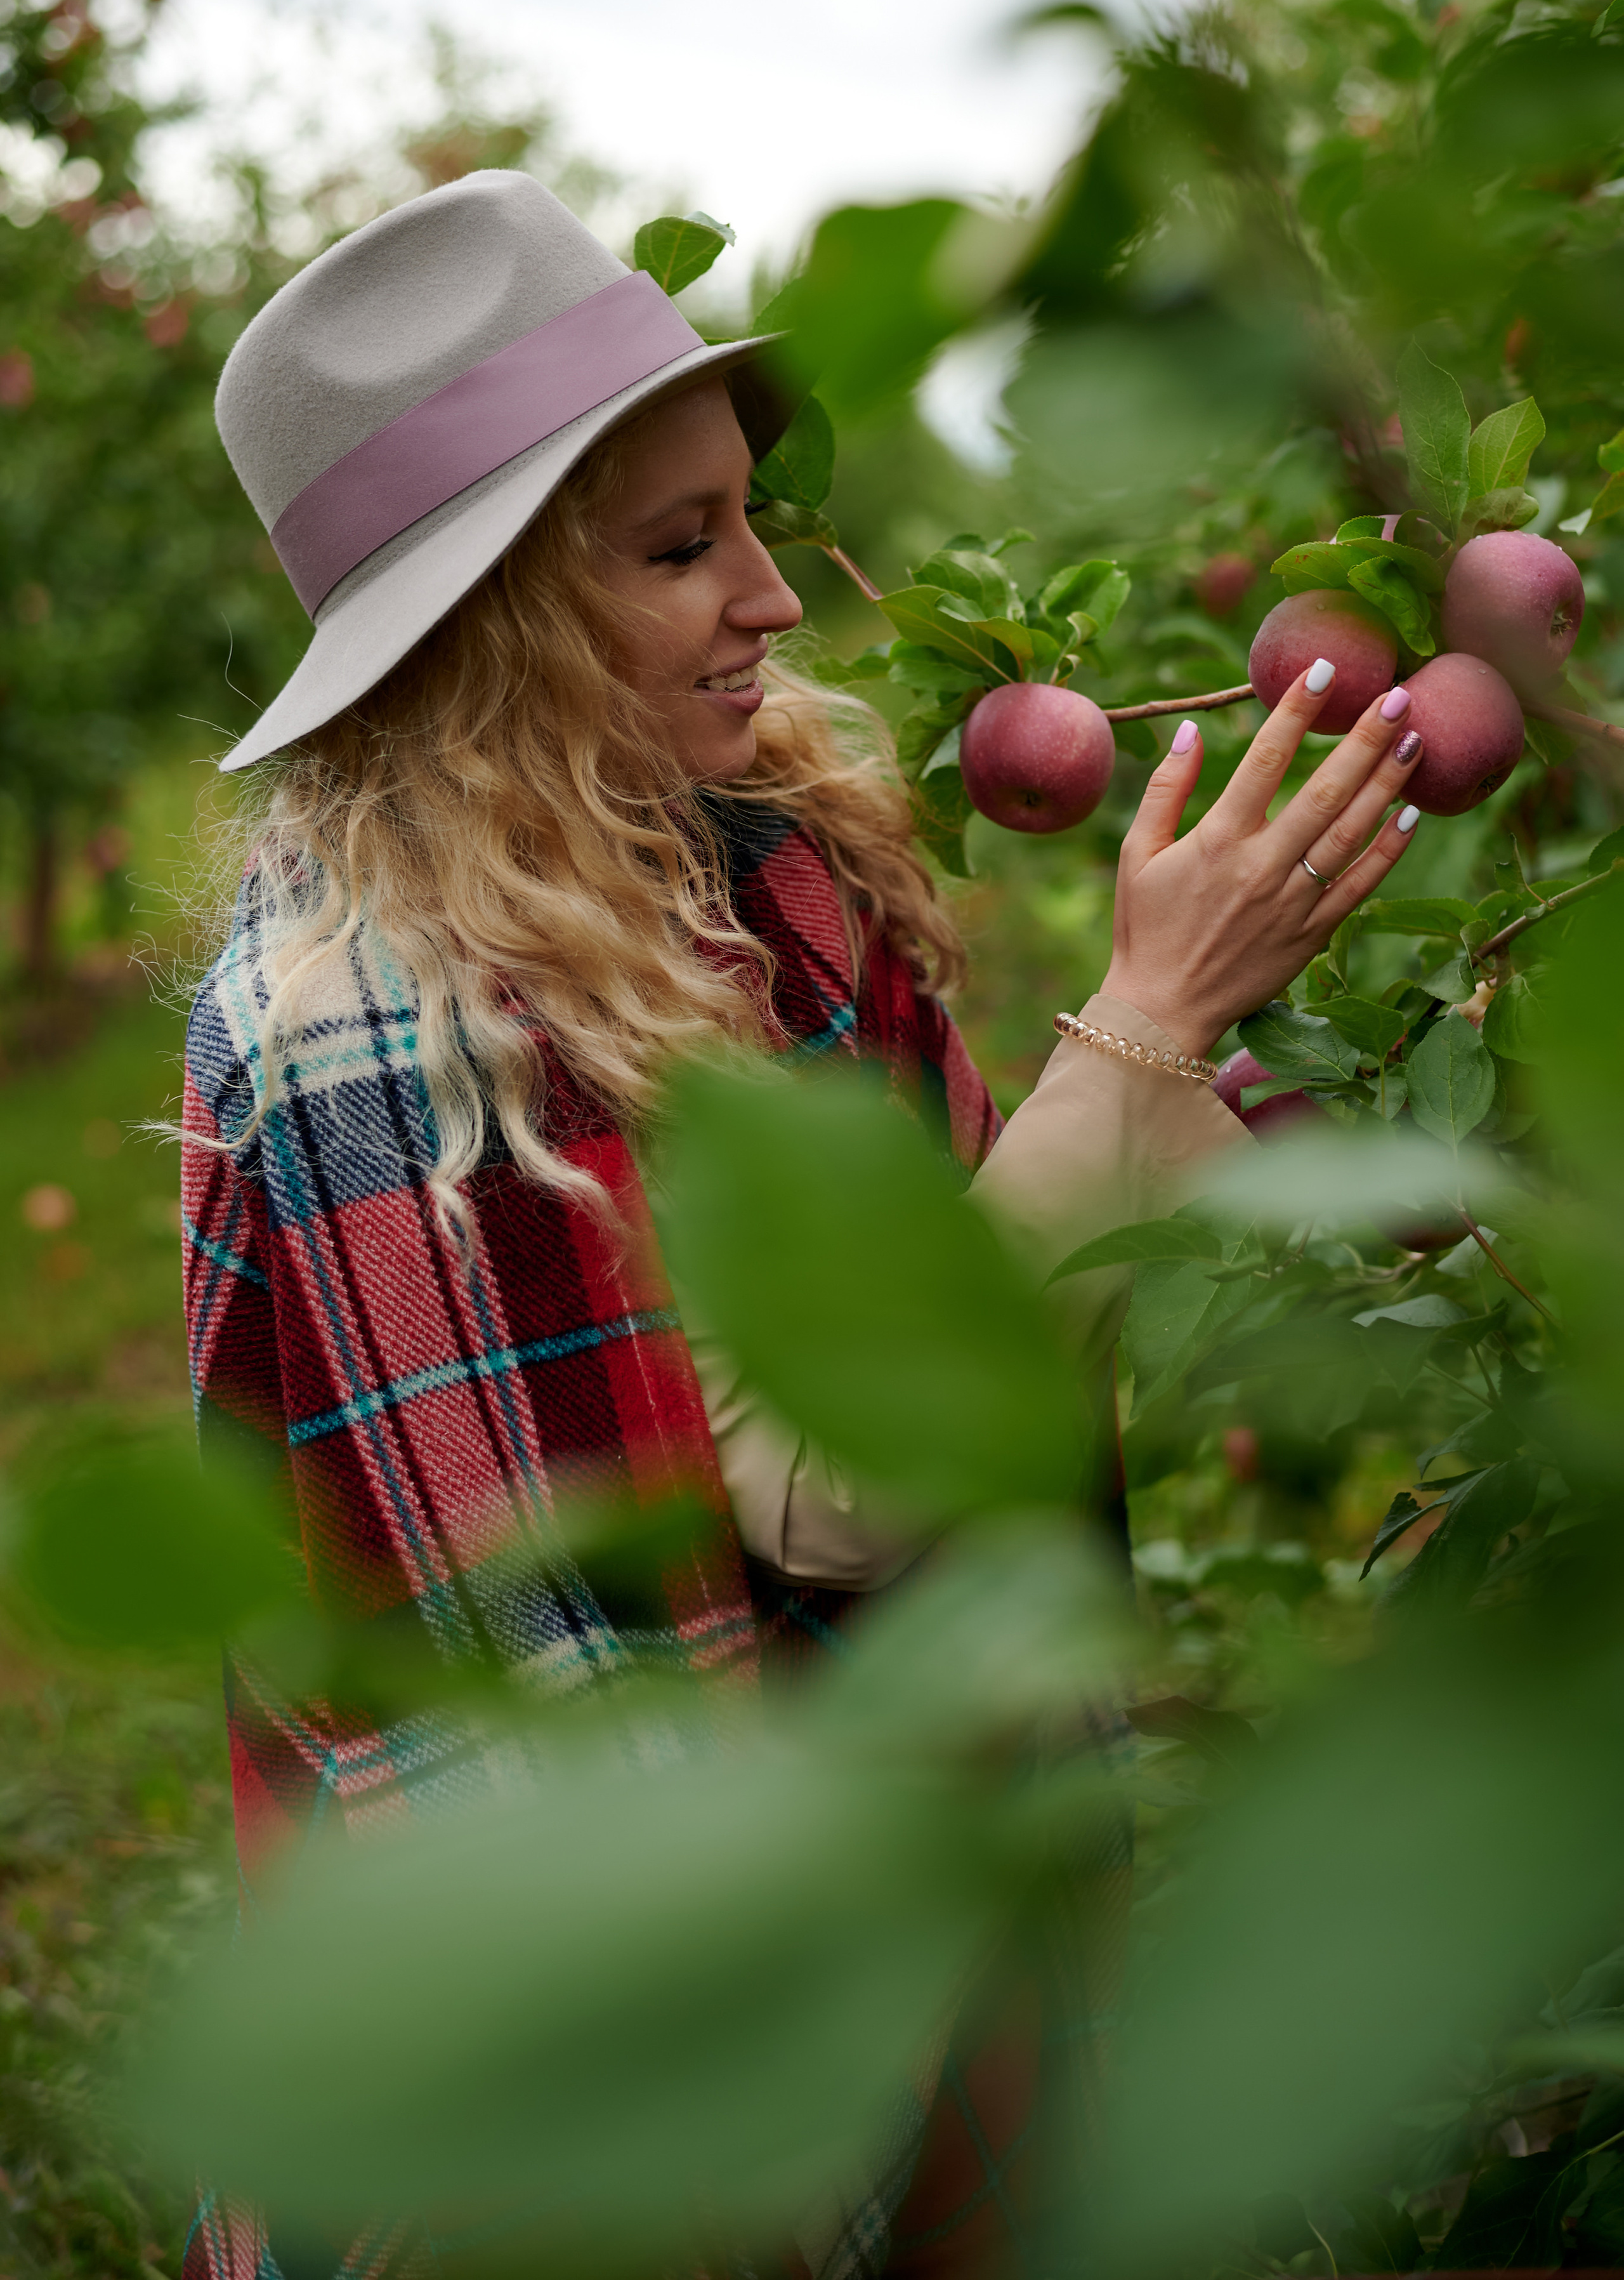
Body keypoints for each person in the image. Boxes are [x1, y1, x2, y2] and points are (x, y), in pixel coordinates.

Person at [180, 171, 1424, 2280]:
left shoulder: (747, 865)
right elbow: (833, 1487)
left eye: (747, 516)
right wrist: (1138, 1025)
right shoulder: (381, 1031)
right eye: (682, 548)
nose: (773, 595)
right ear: (495, 619)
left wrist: (1345, 1156)